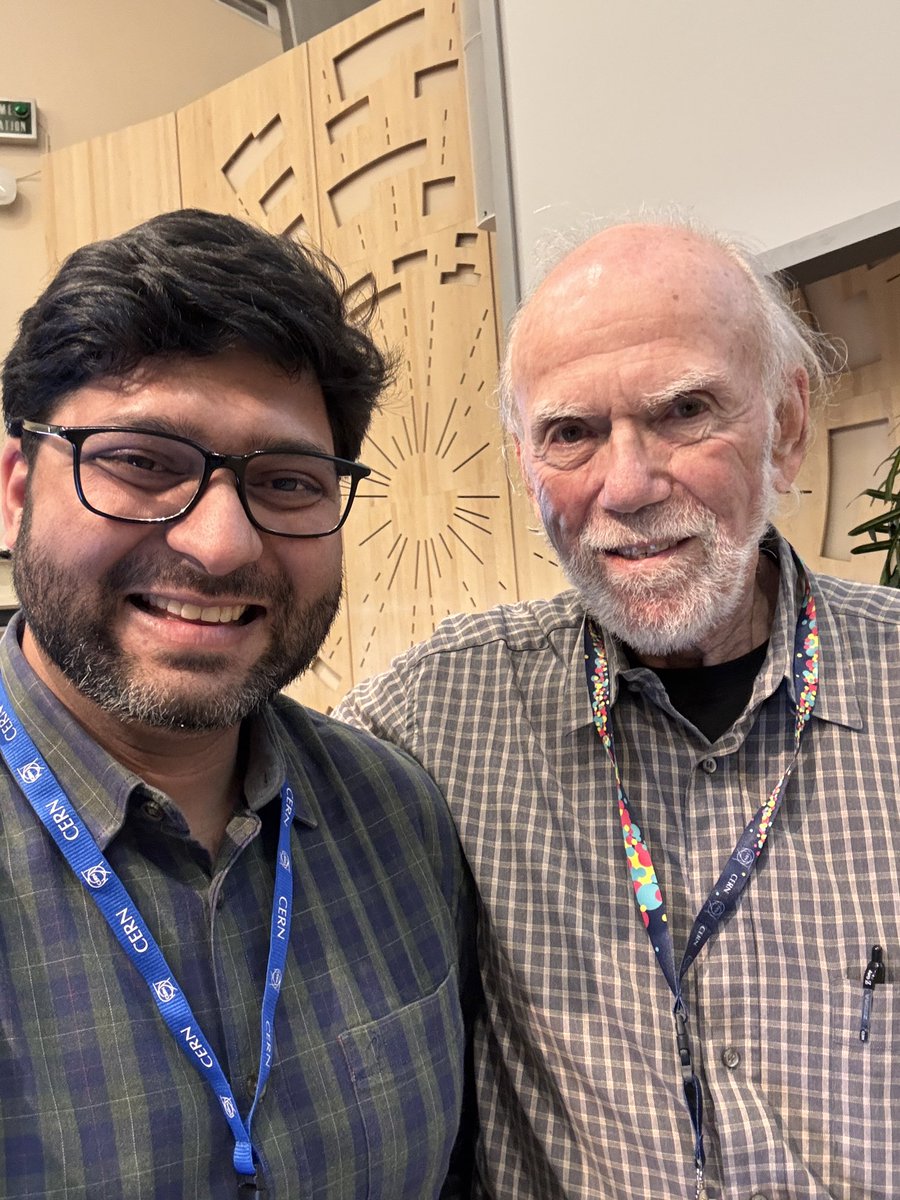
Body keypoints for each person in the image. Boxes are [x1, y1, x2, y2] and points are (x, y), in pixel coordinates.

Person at [335, 218, 900, 1199]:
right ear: (525, 463)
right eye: (571, 433)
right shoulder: (434, 716)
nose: (628, 485)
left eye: (684, 412)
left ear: (788, 426)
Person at [0, 209, 477, 1200]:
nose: (220, 546)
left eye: (288, 480)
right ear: (15, 490)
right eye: (141, 461)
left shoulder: (400, 816)